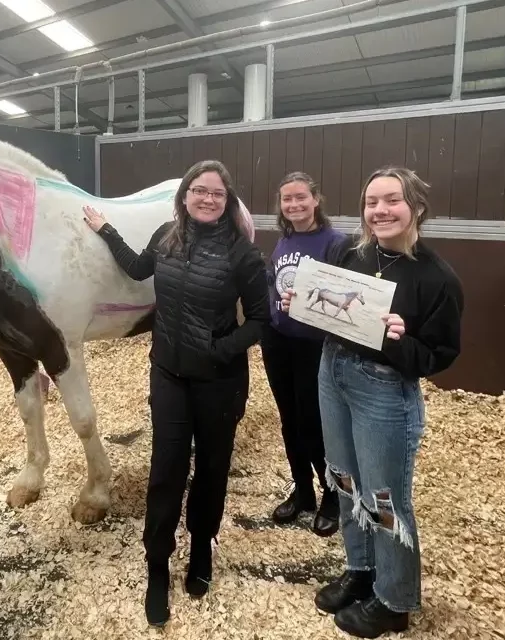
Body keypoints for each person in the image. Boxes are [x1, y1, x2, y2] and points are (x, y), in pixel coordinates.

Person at [82, 159, 270, 628]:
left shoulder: (242, 253)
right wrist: (106, 230)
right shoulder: (166, 236)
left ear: (228, 202)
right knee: (165, 471)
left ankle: (202, 550)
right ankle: (157, 567)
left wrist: (219, 349)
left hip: (219, 380)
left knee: (210, 470)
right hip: (167, 375)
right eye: (200, 191)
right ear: (184, 195)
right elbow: (137, 267)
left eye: (218, 194)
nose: (208, 199)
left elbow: (263, 320)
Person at [280, 166, 463, 638]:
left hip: (383, 391)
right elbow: (333, 317)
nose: (379, 211)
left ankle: (394, 598)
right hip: (333, 373)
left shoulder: (437, 278)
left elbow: (438, 355)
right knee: (342, 480)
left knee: (384, 497)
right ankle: (361, 571)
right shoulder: (354, 257)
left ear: (416, 206)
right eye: (371, 202)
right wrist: (298, 303)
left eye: (391, 200)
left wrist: (400, 342)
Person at [261, 171, 345, 536]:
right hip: (280, 339)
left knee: (314, 423)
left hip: (314, 345)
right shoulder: (286, 239)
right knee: (289, 420)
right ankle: (303, 490)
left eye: (300, 198)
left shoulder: (335, 243)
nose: (293, 205)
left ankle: (333, 495)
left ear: (316, 199)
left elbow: (342, 298)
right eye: (286, 199)